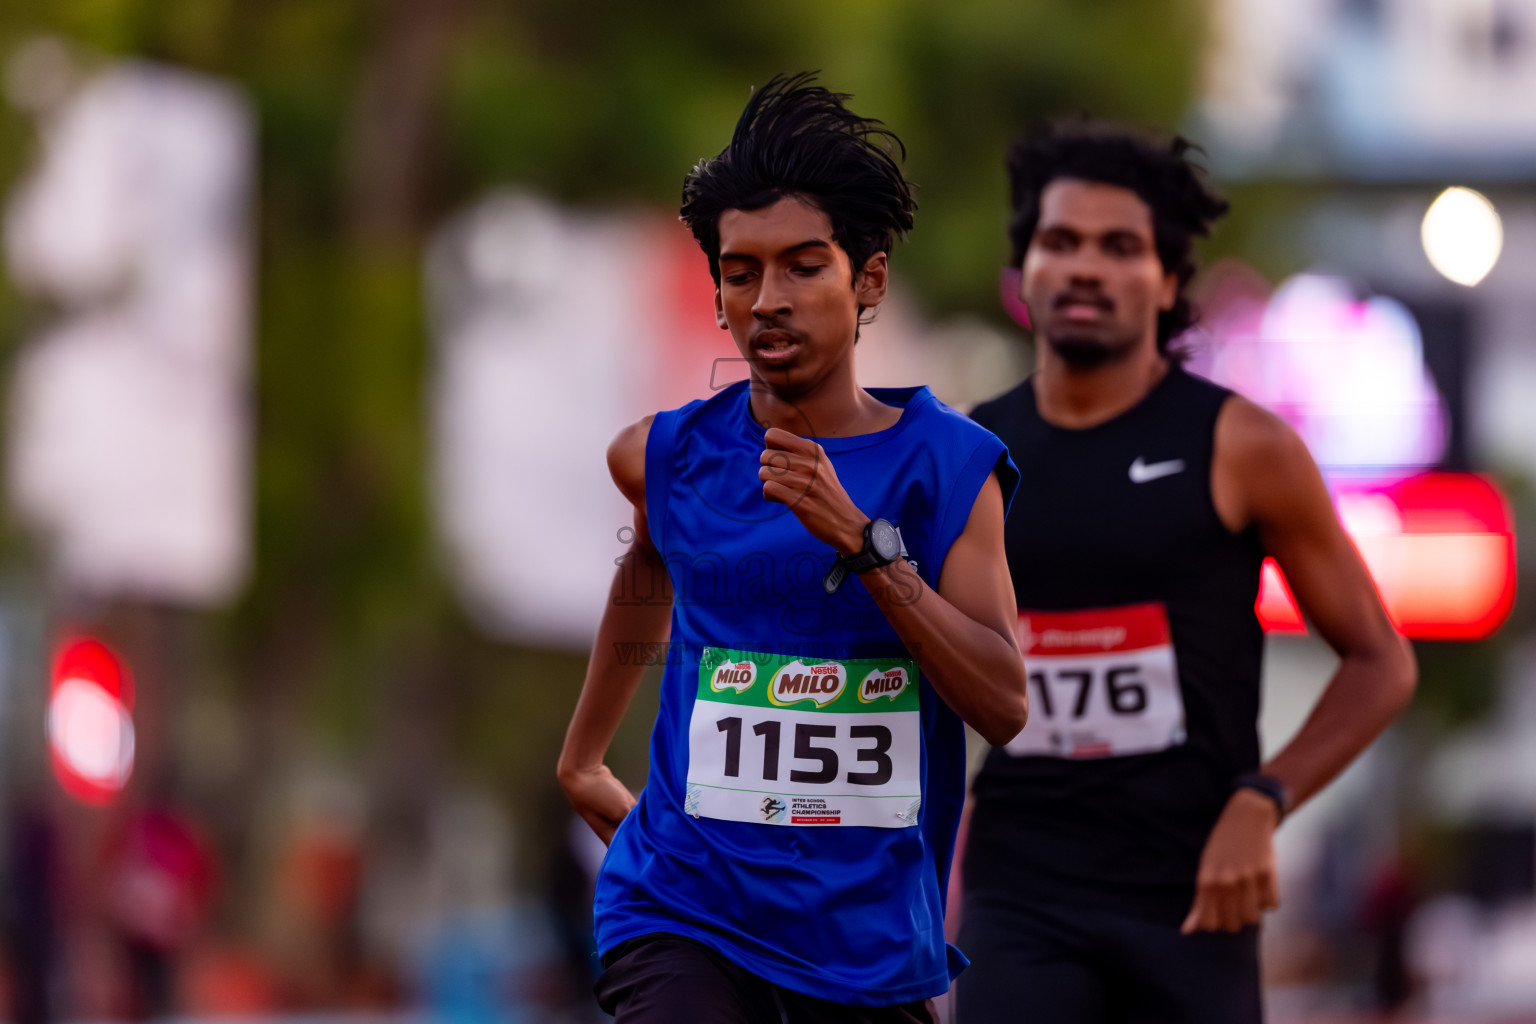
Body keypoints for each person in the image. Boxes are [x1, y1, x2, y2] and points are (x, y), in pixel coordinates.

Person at [556, 73, 1028, 1022]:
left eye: (804, 266)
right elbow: (649, 565)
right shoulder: (666, 455)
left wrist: (859, 542)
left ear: (869, 280)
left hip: (862, 941)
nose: (767, 299)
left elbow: (1004, 702)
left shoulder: (948, 467)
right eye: (741, 271)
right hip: (682, 907)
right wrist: (583, 757)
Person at [956, 124, 1417, 1023]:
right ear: (1025, 273)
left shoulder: (1244, 445)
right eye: (1061, 242)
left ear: (1168, 281)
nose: (1086, 267)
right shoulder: (968, 451)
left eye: (1120, 247)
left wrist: (1265, 797)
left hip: (1194, 889)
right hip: (1022, 889)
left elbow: (1381, 662)